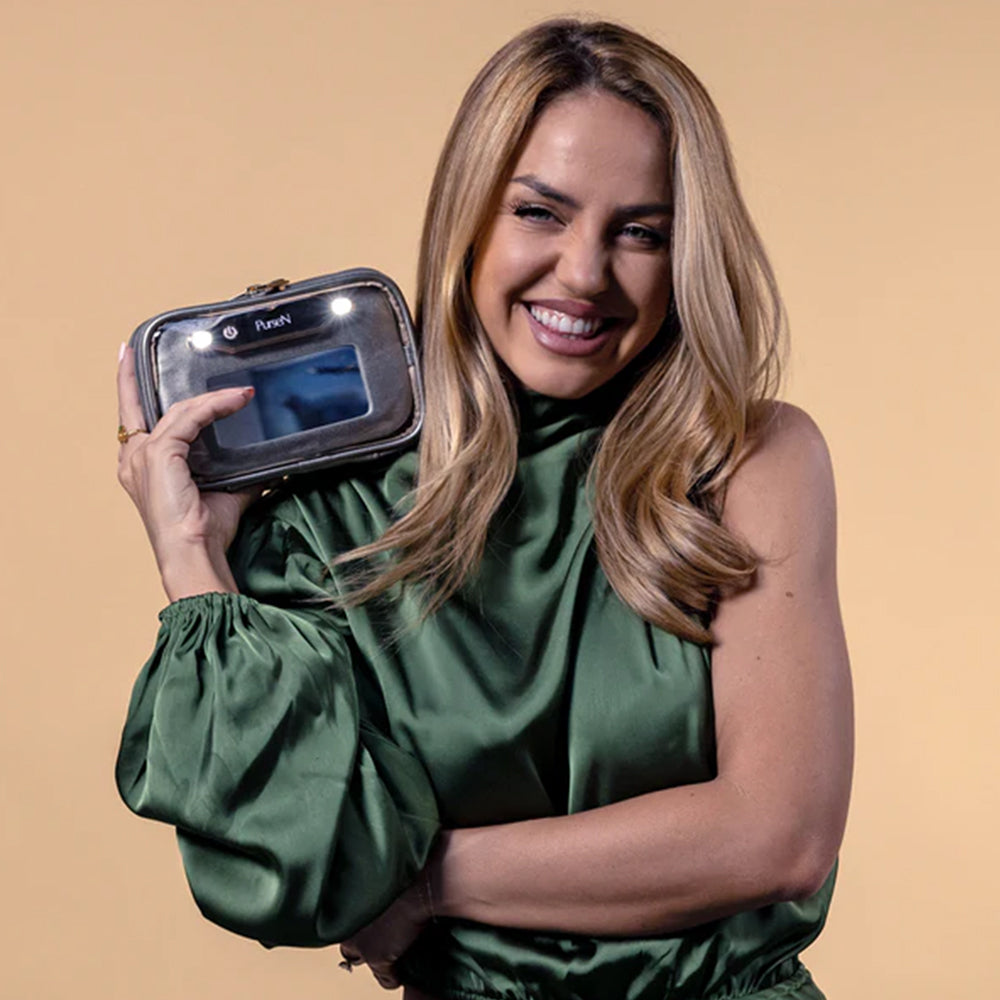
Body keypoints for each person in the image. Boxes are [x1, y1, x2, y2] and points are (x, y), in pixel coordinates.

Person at [115, 17, 852, 1000]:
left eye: (640, 231)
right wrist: (193, 562)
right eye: (539, 212)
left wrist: (424, 882)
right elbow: (295, 875)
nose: (584, 274)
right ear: (466, 219)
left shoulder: (748, 459)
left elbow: (778, 836)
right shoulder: (327, 516)